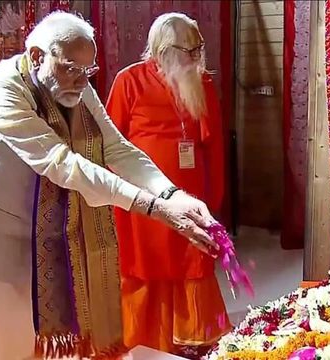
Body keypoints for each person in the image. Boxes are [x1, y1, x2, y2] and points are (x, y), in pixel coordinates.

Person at [0, 12, 220, 360]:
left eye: (88, 71)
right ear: (37, 57)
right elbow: (61, 163)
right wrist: (155, 208)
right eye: (71, 68)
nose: (82, 81)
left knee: (28, 339)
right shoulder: (2, 90)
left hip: (31, 235)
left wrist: (173, 194)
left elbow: (116, 146)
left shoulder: (75, 84)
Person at [105, 12, 230, 358]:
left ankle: (192, 336)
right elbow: (110, 143)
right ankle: (147, 338)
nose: (196, 57)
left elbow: (214, 145)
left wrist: (214, 195)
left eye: (198, 48)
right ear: (162, 50)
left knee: (192, 257)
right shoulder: (128, 80)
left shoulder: (200, 83)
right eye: (187, 50)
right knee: (144, 263)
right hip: (143, 197)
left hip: (190, 193)